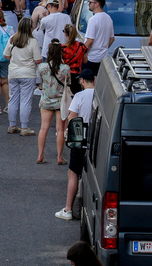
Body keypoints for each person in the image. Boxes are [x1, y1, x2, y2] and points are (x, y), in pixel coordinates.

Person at [55, 68, 96, 221]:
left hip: (80, 142)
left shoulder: (79, 96)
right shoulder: (102, 95)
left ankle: (68, 209)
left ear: (82, 81)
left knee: (73, 173)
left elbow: (72, 119)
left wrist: (67, 133)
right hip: (96, 142)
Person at [3, 17, 42, 136]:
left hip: (13, 72)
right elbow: (38, 59)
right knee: (25, 100)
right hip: (28, 73)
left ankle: (12, 125)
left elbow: (6, 55)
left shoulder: (12, 39)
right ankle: (24, 127)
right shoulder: (33, 41)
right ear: (30, 28)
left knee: (13, 99)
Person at [36, 40, 71, 164]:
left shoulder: (42, 67)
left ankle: (40, 155)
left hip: (46, 100)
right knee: (60, 130)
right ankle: (60, 157)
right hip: (60, 102)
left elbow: (41, 83)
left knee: (43, 128)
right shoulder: (65, 68)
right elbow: (68, 84)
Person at [82, 0, 114, 75]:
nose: (88, 4)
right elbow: (112, 39)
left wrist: (83, 53)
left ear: (97, 4)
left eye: (90, 2)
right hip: (103, 58)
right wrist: (103, 48)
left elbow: (90, 40)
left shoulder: (93, 20)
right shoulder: (108, 18)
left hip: (91, 58)